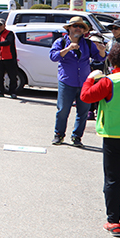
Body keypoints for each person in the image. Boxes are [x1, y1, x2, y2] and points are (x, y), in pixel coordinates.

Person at [80, 43, 120, 237]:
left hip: (113, 135)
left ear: (112, 60)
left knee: (113, 180)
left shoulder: (109, 81)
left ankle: (114, 221)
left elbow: (86, 97)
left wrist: (89, 79)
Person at [49, 16, 106, 146]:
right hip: (67, 82)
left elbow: (100, 58)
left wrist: (102, 52)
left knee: (83, 112)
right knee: (63, 110)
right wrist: (68, 49)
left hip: (84, 83)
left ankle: (77, 137)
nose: (78, 29)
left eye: (81, 27)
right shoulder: (61, 42)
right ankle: (59, 135)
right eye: (76, 26)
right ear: (69, 28)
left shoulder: (88, 43)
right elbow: (53, 56)